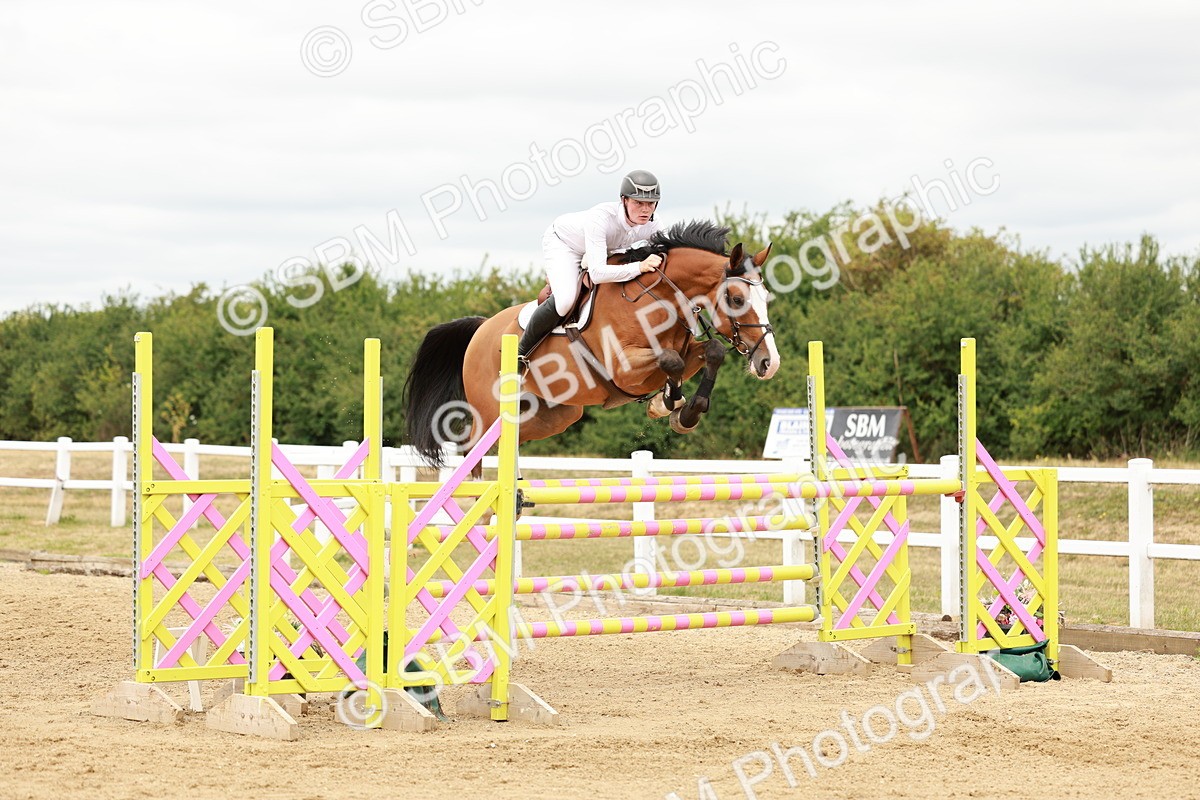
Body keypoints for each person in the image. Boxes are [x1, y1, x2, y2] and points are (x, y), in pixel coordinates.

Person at [517, 169, 666, 366]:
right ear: (624, 200)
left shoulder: (654, 224)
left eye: (650, 203)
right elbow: (597, 274)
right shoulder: (601, 217)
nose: (645, 210)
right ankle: (521, 353)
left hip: (602, 249)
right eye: (638, 203)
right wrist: (639, 266)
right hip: (564, 244)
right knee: (565, 301)